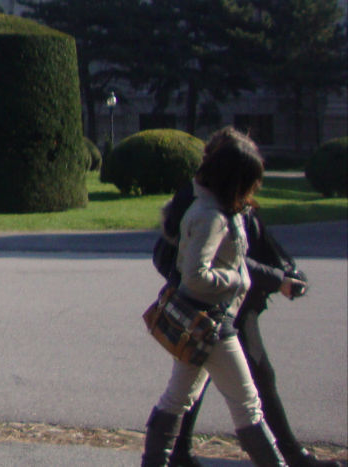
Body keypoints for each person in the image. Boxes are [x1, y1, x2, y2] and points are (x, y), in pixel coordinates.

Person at [166, 132, 331, 467]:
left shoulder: (222, 200)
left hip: (224, 307)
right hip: (213, 309)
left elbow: (256, 242)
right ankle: (287, 456)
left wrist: (282, 271)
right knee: (247, 392)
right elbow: (210, 266)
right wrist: (259, 279)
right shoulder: (209, 208)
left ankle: (174, 454)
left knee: (185, 394)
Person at [141, 127, 287, 467]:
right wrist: (236, 279)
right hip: (212, 322)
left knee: (176, 399)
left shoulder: (207, 205)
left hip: (202, 321)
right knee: (248, 406)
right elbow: (195, 274)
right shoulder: (210, 216)